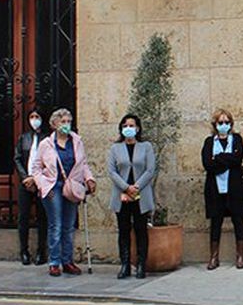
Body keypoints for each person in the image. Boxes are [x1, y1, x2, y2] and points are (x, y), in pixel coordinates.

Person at [31, 108, 96, 277]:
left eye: (69, 121)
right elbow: (36, 168)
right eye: (63, 122)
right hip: (53, 186)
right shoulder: (46, 144)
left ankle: (67, 261)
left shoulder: (77, 141)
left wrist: (89, 179)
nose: (66, 125)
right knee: (56, 224)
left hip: (71, 186)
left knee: (69, 225)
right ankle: (54, 262)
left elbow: (83, 164)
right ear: (54, 124)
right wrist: (43, 186)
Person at [108, 113, 157, 279]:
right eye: (125, 126)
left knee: (141, 229)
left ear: (137, 128)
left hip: (140, 194)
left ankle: (141, 264)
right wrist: (126, 187)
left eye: (131, 126)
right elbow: (112, 171)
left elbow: (150, 170)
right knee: (123, 230)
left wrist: (136, 187)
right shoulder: (115, 148)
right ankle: (125, 264)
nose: (128, 129)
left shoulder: (146, 146)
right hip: (121, 194)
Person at [202, 109, 243, 270]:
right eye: (220, 122)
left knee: (238, 220)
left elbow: (238, 158)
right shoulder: (209, 142)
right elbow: (208, 164)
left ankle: (240, 255)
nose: (224, 125)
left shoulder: (236, 139)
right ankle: (214, 256)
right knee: (216, 221)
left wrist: (219, 158)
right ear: (215, 124)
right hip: (215, 188)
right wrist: (227, 160)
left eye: (226, 122)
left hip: (234, 187)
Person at [14, 109, 50, 265]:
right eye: (32, 117)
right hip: (26, 182)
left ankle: (41, 251)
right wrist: (25, 177)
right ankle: (24, 251)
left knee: (42, 217)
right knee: (23, 217)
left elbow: (50, 161)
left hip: (41, 182)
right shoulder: (24, 138)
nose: (34, 119)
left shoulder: (47, 139)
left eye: (37, 117)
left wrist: (37, 179)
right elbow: (17, 158)